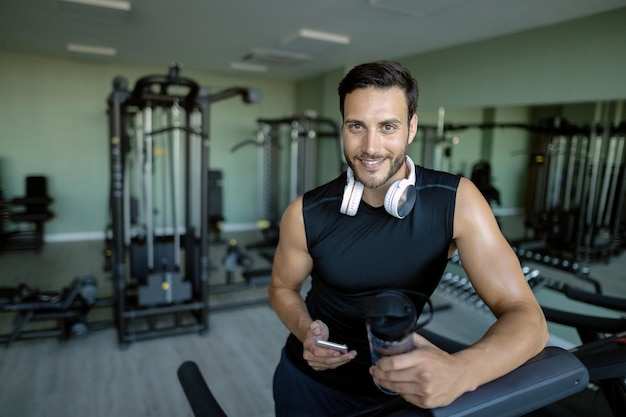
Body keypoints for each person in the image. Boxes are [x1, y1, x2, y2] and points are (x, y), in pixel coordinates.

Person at [268, 60, 548, 417]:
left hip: (401, 393)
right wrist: (306, 330)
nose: (370, 147)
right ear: (343, 127)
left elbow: (528, 318)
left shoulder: (457, 201)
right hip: (308, 387)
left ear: (411, 127)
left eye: (388, 127)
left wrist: (463, 371)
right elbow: (281, 288)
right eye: (357, 126)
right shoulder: (306, 212)